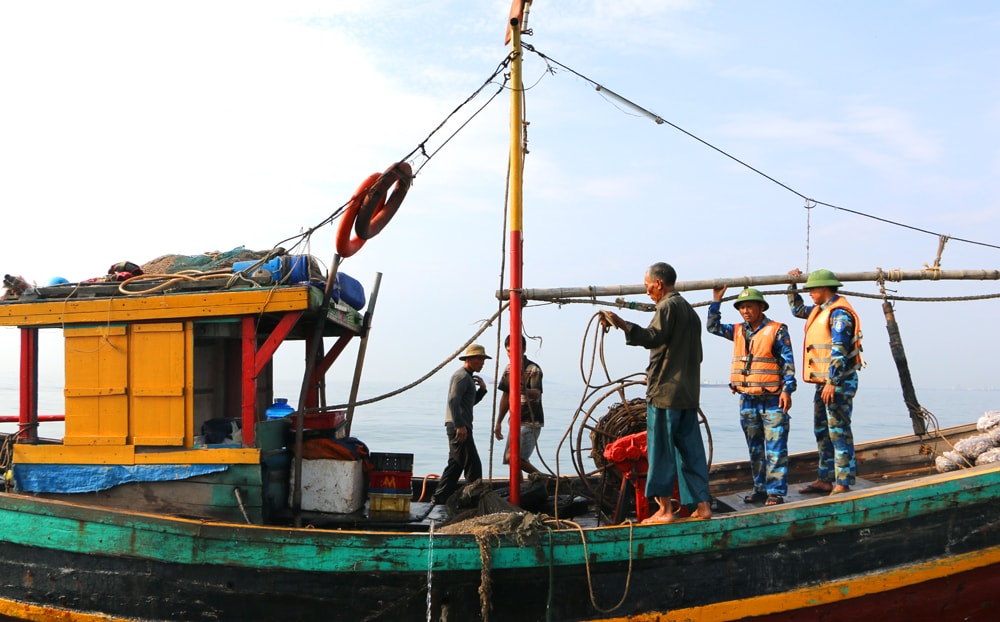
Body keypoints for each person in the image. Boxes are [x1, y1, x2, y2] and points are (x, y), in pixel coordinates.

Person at [599, 262, 712, 523]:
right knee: (690, 452)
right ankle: (703, 507)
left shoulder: (667, 306)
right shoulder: (690, 311)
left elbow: (653, 336)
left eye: (648, 285)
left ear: (659, 283)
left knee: (660, 450)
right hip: (688, 393)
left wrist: (624, 326)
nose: (647, 290)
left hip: (665, 393)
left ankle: (665, 511)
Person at [707, 286, 796, 506]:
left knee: (775, 448)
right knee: (755, 448)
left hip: (773, 400)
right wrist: (716, 300)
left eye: (749, 306)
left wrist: (787, 390)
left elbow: (788, 363)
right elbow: (712, 327)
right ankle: (760, 489)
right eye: (742, 307)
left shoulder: (777, 330)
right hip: (747, 399)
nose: (745, 311)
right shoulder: (738, 330)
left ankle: (775, 492)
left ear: (761, 307)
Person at [787, 268, 864, 496]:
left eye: (812, 289)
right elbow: (797, 310)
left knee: (838, 431)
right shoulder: (820, 310)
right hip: (824, 382)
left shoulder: (839, 314)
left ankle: (843, 481)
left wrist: (832, 381)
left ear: (825, 288)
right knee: (822, 431)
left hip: (837, 382)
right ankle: (825, 478)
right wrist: (792, 285)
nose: (809, 292)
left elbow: (838, 351)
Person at [430, 344, 490, 506]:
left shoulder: (468, 377)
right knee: (474, 467)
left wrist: (482, 391)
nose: (482, 362)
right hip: (459, 427)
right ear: (468, 359)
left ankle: (438, 499)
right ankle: (472, 504)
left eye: (483, 359)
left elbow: (468, 404)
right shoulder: (462, 376)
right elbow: (453, 401)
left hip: (460, 426)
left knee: (455, 466)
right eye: (479, 359)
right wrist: (460, 426)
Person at [493, 335, 544, 477]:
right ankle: (520, 491)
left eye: (515, 350)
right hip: (515, 421)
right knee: (511, 461)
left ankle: (544, 479)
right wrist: (499, 422)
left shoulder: (533, 369)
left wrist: (524, 391)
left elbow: (536, 393)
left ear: (524, 349)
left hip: (530, 420)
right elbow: (505, 396)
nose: (511, 354)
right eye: (508, 351)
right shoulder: (508, 369)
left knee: (515, 458)